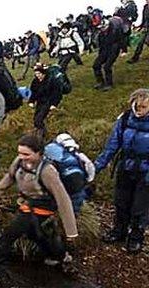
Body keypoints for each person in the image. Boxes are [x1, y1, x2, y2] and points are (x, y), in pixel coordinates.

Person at [0, 134, 78, 286]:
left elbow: (63, 199)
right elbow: (9, 177)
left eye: (26, 154)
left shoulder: (48, 171)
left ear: (39, 153)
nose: (22, 157)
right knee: (37, 235)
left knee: (7, 237)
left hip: (41, 208)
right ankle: (60, 255)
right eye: (19, 153)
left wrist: (71, 231)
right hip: (27, 204)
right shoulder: (19, 162)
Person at [95, 89, 149, 254]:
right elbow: (113, 144)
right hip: (125, 166)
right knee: (121, 201)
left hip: (146, 170)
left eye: (144, 107)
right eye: (138, 106)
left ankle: (136, 237)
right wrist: (96, 166)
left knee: (140, 206)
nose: (140, 110)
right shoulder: (125, 119)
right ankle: (118, 231)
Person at [28, 64, 62, 138]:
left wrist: (54, 104)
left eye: (39, 74)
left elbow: (57, 93)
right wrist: (31, 101)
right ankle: (42, 132)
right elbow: (34, 93)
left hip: (48, 102)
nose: (38, 76)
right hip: (40, 102)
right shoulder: (35, 81)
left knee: (39, 119)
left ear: (43, 73)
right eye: (36, 74)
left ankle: (41, 135)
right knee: (35, 119)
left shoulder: (51, 80)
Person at [92, 17, 124, 92]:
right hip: (104, 51)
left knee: (107, 67)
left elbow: (121, 40)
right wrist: (99, 55)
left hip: (113, 50)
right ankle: (100, 82)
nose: (101, 29)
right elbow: (101, 46)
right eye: (100, 28)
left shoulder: (115, 31)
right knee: (96, 65)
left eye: (103, 27)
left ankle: (109, 84)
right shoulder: (100, 35)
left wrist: (123, 50)